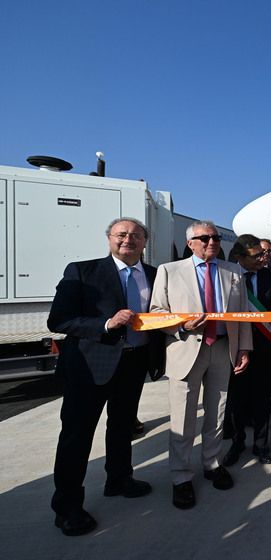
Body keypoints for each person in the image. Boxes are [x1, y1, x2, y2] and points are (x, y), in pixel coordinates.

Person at [47, 218, 165, 536]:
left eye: (136, 236)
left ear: (145, 241)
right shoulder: (83, 271)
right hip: (90, 365)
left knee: (122, 427)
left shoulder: (155, 275)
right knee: (77, 436)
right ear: (109, 238)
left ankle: (119, 478)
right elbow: (58, 320)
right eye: (121, 234)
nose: (128, 240)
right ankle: (68, 506)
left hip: (134, 363)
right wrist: (107, 324)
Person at [150, 220, 252, 509]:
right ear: (190, 243)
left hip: (222, 349)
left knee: (217, 412)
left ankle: (212, 462)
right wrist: (182, 324)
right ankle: (181, 477)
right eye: (205, 238)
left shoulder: (233, 271)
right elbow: (157, 312)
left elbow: (243, 313)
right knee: (182, 417)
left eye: (216, 238)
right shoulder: (169, 271)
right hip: (186, 348)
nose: (212, 242)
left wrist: (244, 347)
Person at [223, 235, 271, 466]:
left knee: (262, 398)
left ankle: (261, 443)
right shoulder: (228, 277)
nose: (262, 258)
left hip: (264, 344)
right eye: (256, 255)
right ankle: (237, 442)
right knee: (237, 398)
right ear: (239, 257)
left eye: (263, 254)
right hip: (236, 347)